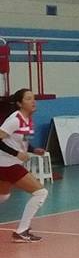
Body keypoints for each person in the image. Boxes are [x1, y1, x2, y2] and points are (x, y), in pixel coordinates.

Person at [0, 89, 47, 242]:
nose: (33, 101)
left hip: (8, 163)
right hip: (7, 164)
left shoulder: (29, 120)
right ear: (20, 103)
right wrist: (16, 154)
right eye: (28, 99)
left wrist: (33, 150)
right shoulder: (15, 119)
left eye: (33, 98)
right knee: (40, 192)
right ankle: (22, 231)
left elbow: (23, 141)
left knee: (3, 195)